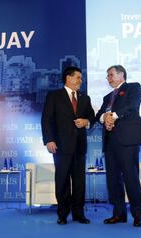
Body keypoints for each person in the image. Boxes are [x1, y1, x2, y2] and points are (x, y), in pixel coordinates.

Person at [95, 65, 141, 227]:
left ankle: (138, 215)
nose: (108, 78)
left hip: (128, 141)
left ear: (121, 75)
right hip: (110, 143)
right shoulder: (107, 97)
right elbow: (98, 116)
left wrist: (113, 116)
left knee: (130, 178)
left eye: (110, 74)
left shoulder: (133, 88)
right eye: (107, 76)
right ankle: (119, 214)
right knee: (113, 180)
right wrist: (105, 117)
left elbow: (132, 106)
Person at [41, 66, 95, 225]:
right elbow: (46, 119)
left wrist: (86, 121)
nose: (81, 80)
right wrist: (49, 140)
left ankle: (79, 214)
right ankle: (62, 214)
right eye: (78, 77)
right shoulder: (54, 96)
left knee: (79, 182)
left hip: (79, 147)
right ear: (68, 78)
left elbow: (91, 117)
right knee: (62, 181)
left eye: (81, 77)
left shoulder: (85, 98)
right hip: (60, 146)